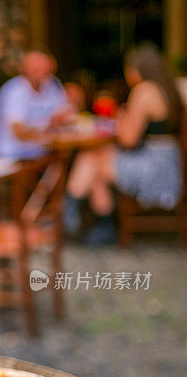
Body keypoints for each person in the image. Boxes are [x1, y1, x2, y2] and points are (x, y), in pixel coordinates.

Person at [66, 43, 184, 245]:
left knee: (92, 159)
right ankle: (90, 219)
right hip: (168, 161)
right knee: (94, 157)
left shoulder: (143, 90)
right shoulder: (168, 86)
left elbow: (128, 140)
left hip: (153, 168)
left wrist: (121, 118)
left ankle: (73, 206)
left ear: (136, 70)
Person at [0, 51, 68, 160]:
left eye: (45, 69)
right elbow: (19, 132)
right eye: (37, 68)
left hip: (41, 148)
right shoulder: (15, 91)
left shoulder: (51, 86)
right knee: (65, 156)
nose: (42, 72)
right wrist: (48, 132)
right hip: (14, 152)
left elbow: (63, 115)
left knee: (73, 155)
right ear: (24, 69)